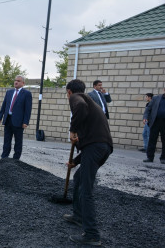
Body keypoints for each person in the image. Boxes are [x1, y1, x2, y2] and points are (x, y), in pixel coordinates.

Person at [63, 79, 113, 246]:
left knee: (86, 188)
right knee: (78, 178)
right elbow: (90, 143)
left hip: (96, 147)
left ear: (69, 91)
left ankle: (92, 234)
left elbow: (80, 109)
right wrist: (75, 162)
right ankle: (78, 215)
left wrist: (72, 130)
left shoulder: (76, 98)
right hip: (101, 147)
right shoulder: (90, 101)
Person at [0, 75, 32, 160]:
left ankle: (16, 160)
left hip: (19, 122)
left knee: (18, 142)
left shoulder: (27, 94)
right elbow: (4, 105)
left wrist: (25, 122)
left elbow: (28, 109)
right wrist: (0, 117)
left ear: (23, 83)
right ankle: (4, 158)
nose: (16, 82)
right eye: (15, 80)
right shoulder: (9, 92)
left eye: (18, 81)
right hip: (8, 119)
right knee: (7, 140)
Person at [142, 88, 165, 164]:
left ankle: (163, 158)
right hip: (155, 122)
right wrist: (145, 117)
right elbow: (148, 109)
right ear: (164, 90)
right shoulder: (156, 98)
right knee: (152, 140)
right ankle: (150, 157)